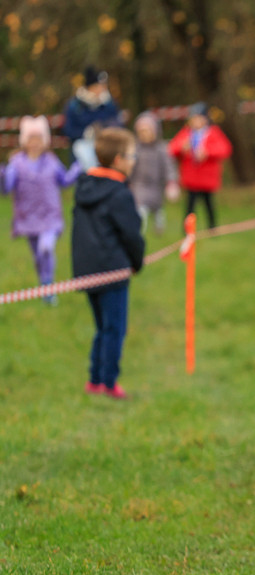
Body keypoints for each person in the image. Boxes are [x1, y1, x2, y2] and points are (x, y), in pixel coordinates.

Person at [72, 127, 145, 400]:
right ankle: (109, 383)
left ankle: (94, 380)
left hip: (87, 271)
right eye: (131, 155)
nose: (134, 160)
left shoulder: (84, 187)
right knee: (114, 329)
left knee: (102, 327)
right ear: (118, 160)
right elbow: (132, 234)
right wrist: (136, 263)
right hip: (112, 272)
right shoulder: (120, 194)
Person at [2, 116, 81, 305]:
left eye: (38, 139)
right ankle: (45, 285)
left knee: (46, 248)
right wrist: (2, 174)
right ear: (24, 142)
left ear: (45, 141)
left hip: (50, 216)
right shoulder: (16, 164)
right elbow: (6, 188)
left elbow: (65, 181)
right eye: (31, 139)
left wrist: (78, 168)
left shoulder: (52, 162)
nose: (35, 143)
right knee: (38, 257)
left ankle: (48, 284)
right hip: (27, 218)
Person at [168, 103, 233, 230]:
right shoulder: (186, 134)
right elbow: (172, 148)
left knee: (209, 205)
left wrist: (207, 152)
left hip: (207, 178)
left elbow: (225, 149)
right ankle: (187, 229)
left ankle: (212, 228)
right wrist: (182, 147)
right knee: (190, 206)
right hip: (191, 178)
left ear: (205, 119)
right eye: (193, 118)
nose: (195, 121)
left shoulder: (213, 133)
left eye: (199, 118)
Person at [62, 66, 122, 169]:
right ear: (90, 87)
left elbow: (118, 125)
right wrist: (86, 132)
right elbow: (68, 130)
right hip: (81, 154)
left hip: (106, 151)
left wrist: (105, 130)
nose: (102, 90)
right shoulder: (75, 106)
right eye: (98, 86)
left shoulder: (109, 104)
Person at [130, 112, 179, 235]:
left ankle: (159, 226)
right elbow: (130, 166)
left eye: (147, 131)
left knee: (157, 209)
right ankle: (139, 230)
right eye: (141, 132)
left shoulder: (161, 149)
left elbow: (169, 166)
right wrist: (127, 181)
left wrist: (171, 182)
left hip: (156, 185)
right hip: (139, 185)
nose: (144, 135)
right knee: (140, 209)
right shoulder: (136, 149)